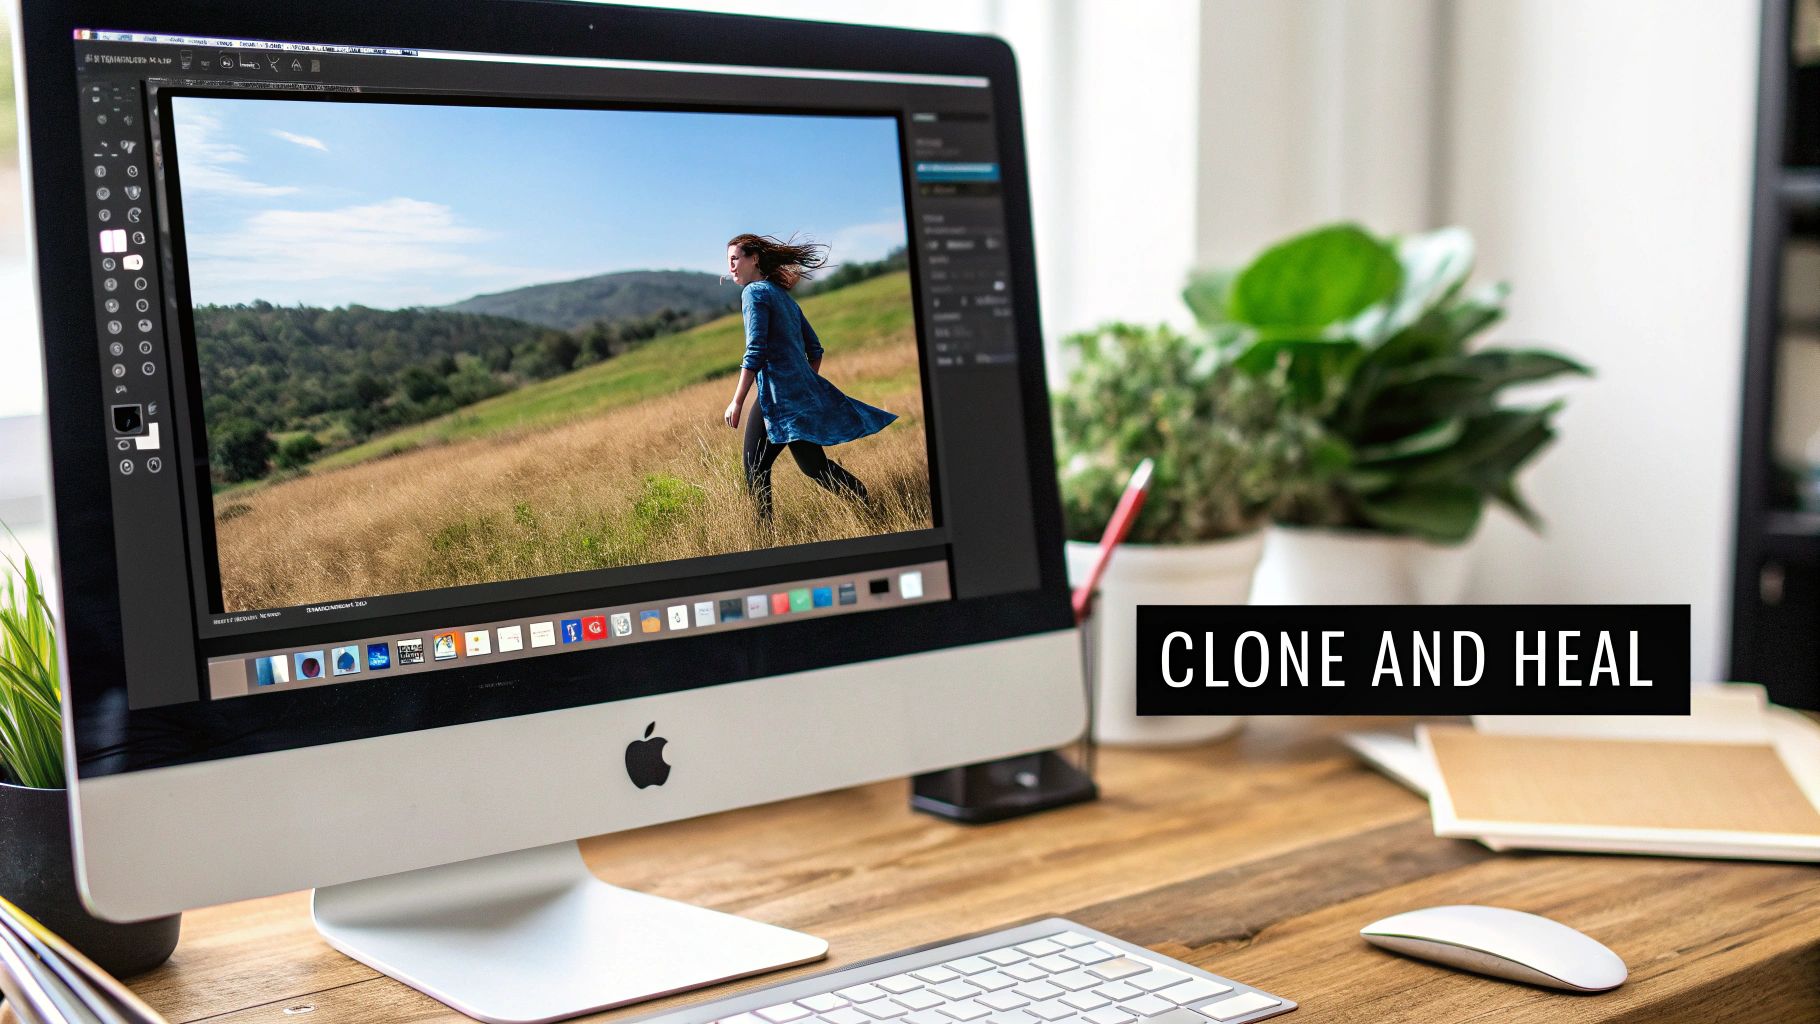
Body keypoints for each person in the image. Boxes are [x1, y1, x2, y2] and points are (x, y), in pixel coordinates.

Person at [722, 233, 895, 521]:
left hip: (776, 400)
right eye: (728, 261)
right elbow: (815, 349)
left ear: (754, 259)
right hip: (795, 398)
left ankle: (764, 541)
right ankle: (863, 499)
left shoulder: (754, 293)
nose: (731, 267)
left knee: (755, 468)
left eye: (735, 259)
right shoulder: (783, 298)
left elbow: (755, 350)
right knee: (814, 467)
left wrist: (736, 401)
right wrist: (803, 384)